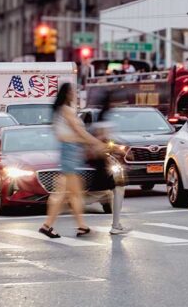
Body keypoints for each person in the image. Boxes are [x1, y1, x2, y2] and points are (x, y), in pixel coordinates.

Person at [40, 83, 104, 238]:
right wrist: (96, 143)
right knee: (69, 194)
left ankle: (80, 226)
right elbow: (79, 131)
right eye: (73, 92)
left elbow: (63, 134)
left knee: (69, 193)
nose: (75, 94)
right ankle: (48, 225)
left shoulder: (59, 111)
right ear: (67, 94)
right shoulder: (66, 110)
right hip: (70, 151)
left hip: (69, 151)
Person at [86, 92, 128, 235]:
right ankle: (116, 225)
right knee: (114, 190)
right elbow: (102, 142)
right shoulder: (105, 119)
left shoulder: (101, 117)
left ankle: (116, 224)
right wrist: (119, 150)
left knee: (110, 190)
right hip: (100, 163)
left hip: (99, 162)